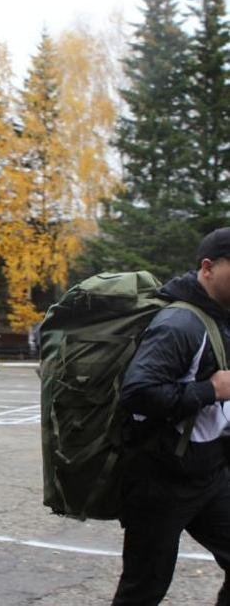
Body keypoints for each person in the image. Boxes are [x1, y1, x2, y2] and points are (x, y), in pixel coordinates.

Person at [113, 227, 230, 605]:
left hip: (209, 474)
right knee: (144, 589)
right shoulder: (180, 324)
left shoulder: (221, 319)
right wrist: (210, 390)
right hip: (159, 480)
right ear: (208, 267)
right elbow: (137, 392)